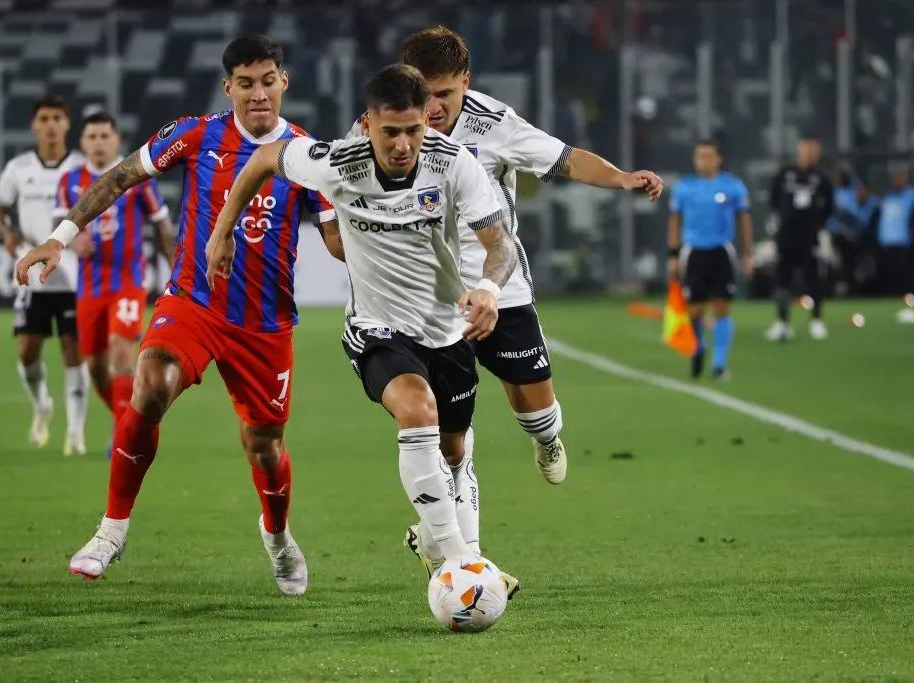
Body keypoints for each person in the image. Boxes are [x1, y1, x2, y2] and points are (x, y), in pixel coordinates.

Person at [15, 35, 337, 594]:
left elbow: (335, 240)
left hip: (265, 325)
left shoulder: (308, 154)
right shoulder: (197, 133)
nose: (257, 94)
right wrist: (60, 237)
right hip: (193, 301)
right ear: (228, 87)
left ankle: (279, 537)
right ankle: (111, 530)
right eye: (245, 83)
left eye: (267, 81)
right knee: (150, 383)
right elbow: (120, 177)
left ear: (283, 82)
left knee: (265, 445)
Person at [205, 63, 521, 595]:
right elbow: (262, 157)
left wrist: (488, 291)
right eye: (390, 131)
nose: (403, 144)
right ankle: (462, 564)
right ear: (368, 124)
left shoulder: (454, 164)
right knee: (417, 411)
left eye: (414, 130)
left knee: (455, 451)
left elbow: (501, 245)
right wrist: (223, 230)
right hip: (376, 328)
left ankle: (440, 544)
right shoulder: (336, 163)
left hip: (446, 329)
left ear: (427, 121)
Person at [377, 26, 662, 574]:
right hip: (431, 304)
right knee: (449, 438)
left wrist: (623, 178)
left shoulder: (494, 124)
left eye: (445, 94)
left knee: (537, 412)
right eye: (424, 93)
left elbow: (567, 159)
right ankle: (460, 554)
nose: (433, 108)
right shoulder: (386, 124)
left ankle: (547, 439)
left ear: (466, 81)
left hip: (500, 289)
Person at [54, 111, 176, 443]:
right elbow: (61, 228)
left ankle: (124, 435)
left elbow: (163, 226)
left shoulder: (137, 177)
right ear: (82, 142)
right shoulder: (68, 182)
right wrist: (74, 241)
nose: (98, 143)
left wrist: (176, 270)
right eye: (91, 137)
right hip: (90, 287)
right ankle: (124, 417)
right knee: (94, 367)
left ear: (116, 139)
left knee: (122, 352)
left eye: (104, 136)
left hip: (128, 282)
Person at [0, 94, 89, 455]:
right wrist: (8, 233)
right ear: (34, 125)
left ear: (67, 124)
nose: (50, 125)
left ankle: (76, 432)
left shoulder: (81, 167)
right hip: (32, 275)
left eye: (57, 118)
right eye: (44, 118)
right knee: (27, 350)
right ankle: (42, 405)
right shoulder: (18, 169)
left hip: (76, 277)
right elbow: (0, 212)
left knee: (73, 352)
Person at [667, 140, 752, 380]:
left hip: (720, 251)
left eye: (708, 155)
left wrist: (748, 252)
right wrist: (673, 254)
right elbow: (674, 220)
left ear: (718, 159)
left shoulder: (732, 186)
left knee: (722, 306)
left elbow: (743, 219)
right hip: (694, 252)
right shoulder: (685, 187)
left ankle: (719, 365)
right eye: (699, 156)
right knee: (695, 309)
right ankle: (698, 349)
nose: (703, 160)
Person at [766, 138, 834, 341]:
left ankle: (816, 321)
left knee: (814, 278)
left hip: (810, 236)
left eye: (812, 151)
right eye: (804, 151)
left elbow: (829, 206)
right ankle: (782, 322)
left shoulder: (821, 178)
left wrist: (815, 224)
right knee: (782, 278)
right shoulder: (786, 174)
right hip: (787, 235)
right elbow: (774, 199)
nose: (807, 155)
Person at [874, 166, 914, 299]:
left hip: (903, 242)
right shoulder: (888, 196)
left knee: (905, 274)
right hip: (886, 243)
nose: (898, 180)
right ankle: (891, 298)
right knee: (890, 275)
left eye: (901, 177)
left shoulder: (910, 195)